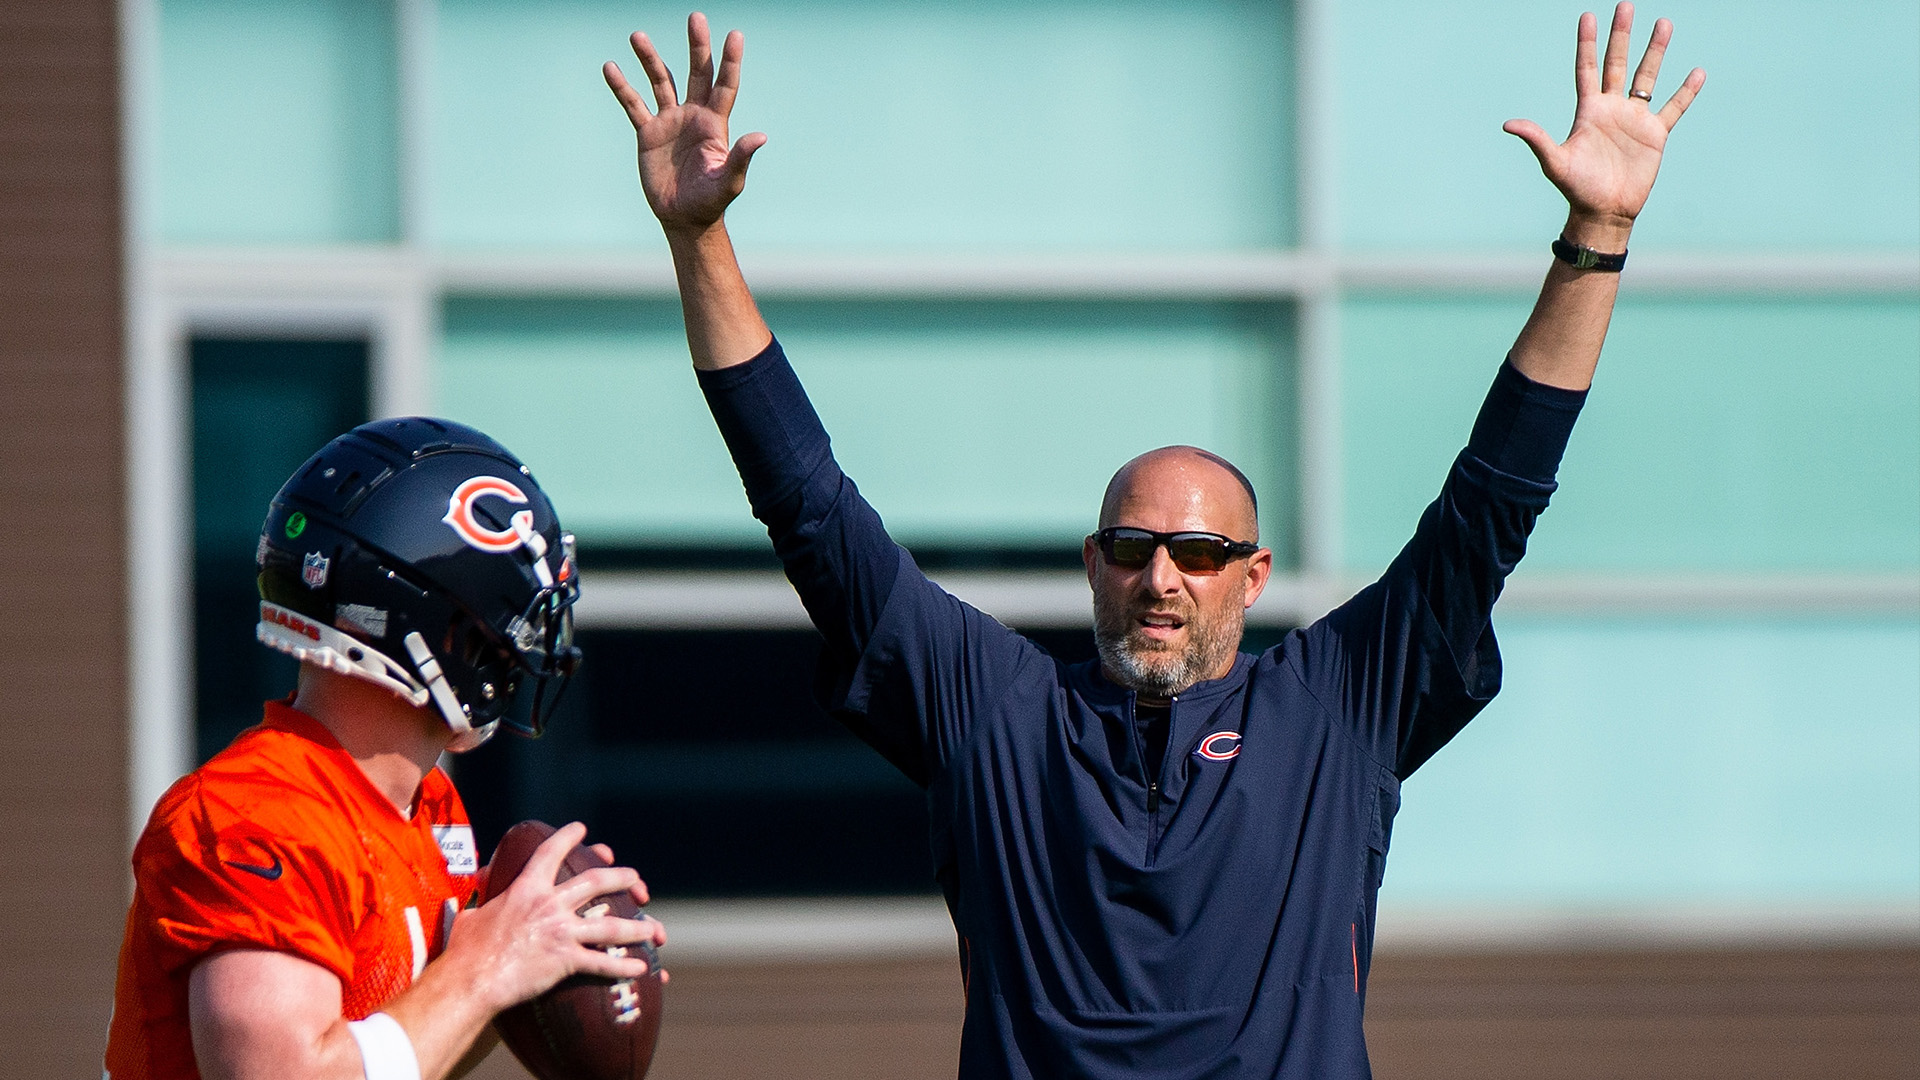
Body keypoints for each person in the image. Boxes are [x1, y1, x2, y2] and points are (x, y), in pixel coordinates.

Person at [605, 5, 1702, 1076]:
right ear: (1093, 565)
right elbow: (807, 504)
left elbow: (1493, 502)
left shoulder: (1334, 706)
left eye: (1198, 552)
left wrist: (1596, 237)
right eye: (1129, 549)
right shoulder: (1000, 714)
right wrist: (699, 241)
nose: (1160, 576)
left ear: (1253, 577)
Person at [105, 419, 667, 1080]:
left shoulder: (427, 807)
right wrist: (484, 970)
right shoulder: (257, 816)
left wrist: (533, 960)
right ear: (446, 628)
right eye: (513, 622)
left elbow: (390, 1058)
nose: (522, 652)